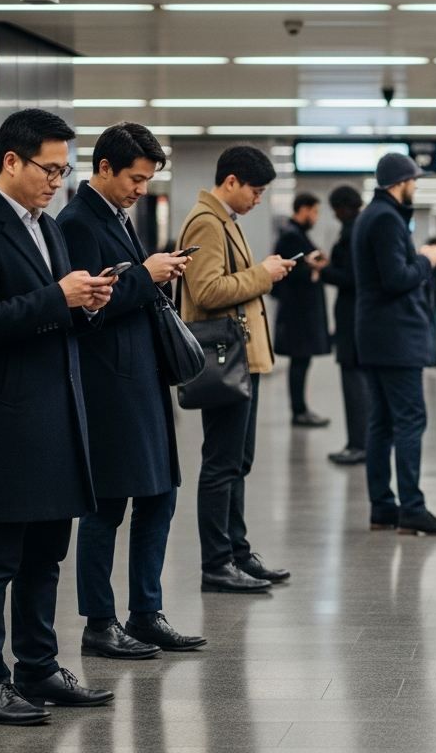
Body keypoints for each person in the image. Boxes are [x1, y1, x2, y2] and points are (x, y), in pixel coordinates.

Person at [0, 109, 116, 725]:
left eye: (65, 172)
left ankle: (37, 667)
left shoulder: (47, 227)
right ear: (11, 161)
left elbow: (52, 308)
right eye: (49, 169)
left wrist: (86, 301)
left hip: (58, 412)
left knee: (46, 553)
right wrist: (56, 297)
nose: (57, 183)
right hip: (7, 420)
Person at [57, 122, 207, 660]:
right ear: (104, 169)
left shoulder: (119, 217)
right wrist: (147, 275)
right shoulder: (77, 223)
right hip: (109, 386)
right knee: (107, 506)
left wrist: (151, 274)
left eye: (146, 180)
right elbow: (87, 305)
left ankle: (146, 612)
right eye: (135, 178)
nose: (141, 188)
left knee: (159, 494)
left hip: (140, 380)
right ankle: (100, 622)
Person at [179, 145, 297, 592]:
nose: (258, 200)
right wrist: (263, 274)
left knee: (237, 461)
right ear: (231, 182)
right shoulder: (207, 223)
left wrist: (265, 272)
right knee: (222, 462)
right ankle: (217, 562)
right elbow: (207, 290)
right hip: (225, 360)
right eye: (256, 190)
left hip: (241, 360)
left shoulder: (224, 220)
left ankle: (238, 552)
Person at [353, 153, 436, 535]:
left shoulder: (371, 216)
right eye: (414, 180)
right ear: (401, 183)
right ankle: (411, 507)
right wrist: (426, 259)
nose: (416, 186)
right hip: (395, 336)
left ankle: (383, 507)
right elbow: (396, 278)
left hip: (376, 335)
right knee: (410, 419)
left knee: (381, 422)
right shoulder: (385, 218)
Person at [272, 192, 333, 427]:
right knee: (300, 361)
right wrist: (314, 271)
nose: (316, 217)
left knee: (302, 361)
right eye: (315, 211)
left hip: (301, 312)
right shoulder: (291, 236)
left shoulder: (297, 235)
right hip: (297, 313)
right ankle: (299, 411)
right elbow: (288, 271)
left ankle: (301, 409)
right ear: (304, 209)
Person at [321, 185, 369, 465]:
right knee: (361, 381)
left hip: (352, 314)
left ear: (344, 206)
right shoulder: (361, 227)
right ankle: (364, 442)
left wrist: (324, 271)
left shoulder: (353, 230)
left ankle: (358, 444)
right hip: (360, 315)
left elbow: (351, 277)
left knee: (354, 383)